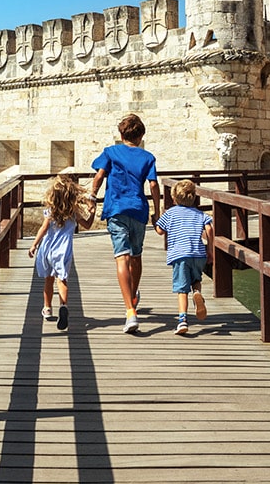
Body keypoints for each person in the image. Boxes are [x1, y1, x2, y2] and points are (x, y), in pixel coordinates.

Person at [90, 113, 159, 334]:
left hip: (116, 208)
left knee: (122, 256)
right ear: (141, 137)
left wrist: (92, 196)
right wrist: (158, 211)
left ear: (121, 134)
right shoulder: (148, 157)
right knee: (136, 256)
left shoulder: (111, 152)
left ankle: (130, 310)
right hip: (138, 210)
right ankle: (134, 293)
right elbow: (154, 185)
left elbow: (99, 177)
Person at [26, 173, 96, 331]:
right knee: (62, 280)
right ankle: (63, 305)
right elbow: (87, 225)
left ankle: (47, 308)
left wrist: (34, 245)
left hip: (47, 249)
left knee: (48, 280)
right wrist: (92, 211)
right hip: (63, 250)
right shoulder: (73, 212)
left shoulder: (50, 211)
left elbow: (43, 229)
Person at [154, 179, 213, 335]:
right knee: (196, 279)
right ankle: (197, 293)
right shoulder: (200, 214)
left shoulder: (170, 213)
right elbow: (209, 228)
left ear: (174, 198)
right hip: (198, 253)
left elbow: (159, 230)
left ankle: (182, 320)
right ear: (193, 197)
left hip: (180, 255)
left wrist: (157, 219)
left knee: (182, 289)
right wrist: (211, 250)